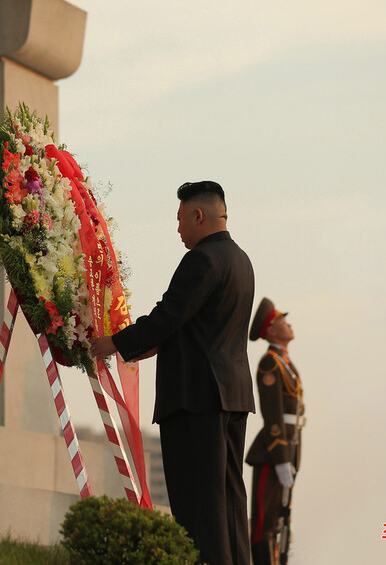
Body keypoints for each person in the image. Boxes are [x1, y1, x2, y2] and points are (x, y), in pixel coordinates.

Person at [90, 180, 255, 565]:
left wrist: (114, 341)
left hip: (196, 397)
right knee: (229, 501)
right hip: (231, 395)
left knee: (198, 506)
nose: (178, 229)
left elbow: (168, 317)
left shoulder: (202, 259)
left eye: (181, 219)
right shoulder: (241, 260)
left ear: (199, 216)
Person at [245, 298, 305, 565]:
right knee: (265, 521)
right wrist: (281, 458)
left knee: (281, 518)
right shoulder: (270, 364)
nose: (289, 325)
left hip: (288, 450)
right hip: (272, 453)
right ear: (270, 330)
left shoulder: (285, 363)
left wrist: (291, 456)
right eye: (283, 321)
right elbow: (274, 417)